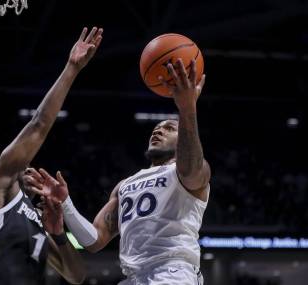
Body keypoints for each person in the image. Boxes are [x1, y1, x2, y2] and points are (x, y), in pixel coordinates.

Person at [24, 58, 210, 285]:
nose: (158, 131)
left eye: (169, 128)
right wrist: (65, 203)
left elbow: (190, 167)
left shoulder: (189, 172)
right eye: (156, 129)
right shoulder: (125, 185)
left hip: (172, 272)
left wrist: (187, 109)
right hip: (133, 277)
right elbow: (94, 241)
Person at [0, 26, 103, 285]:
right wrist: (72, 69)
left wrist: (58, 233)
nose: (30, 167)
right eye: (24, 163)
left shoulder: (37, 224)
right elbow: (39, 124)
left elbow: (77, 276)